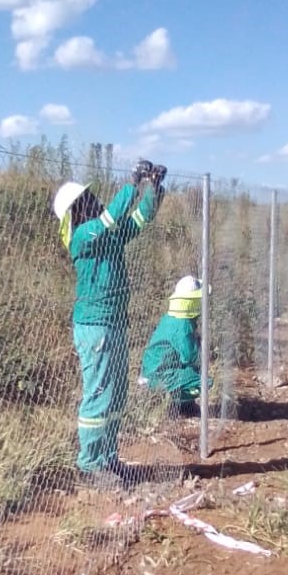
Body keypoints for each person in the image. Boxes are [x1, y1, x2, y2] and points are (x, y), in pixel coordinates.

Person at [53, 160, 166, 486]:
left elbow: (137, 222)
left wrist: (154, 189)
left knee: (116, 396)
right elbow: (111, 217)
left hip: (114, 324)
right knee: (99, 394)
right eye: (86, 199)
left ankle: (108, 459)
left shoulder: (106, 235)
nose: (95, 200)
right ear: (76, 210)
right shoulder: (83, 236)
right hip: (96, 327)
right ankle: (89, 465)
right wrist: (133, 183)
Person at [140, 275, 208, 412]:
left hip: (153, 370)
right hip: (160, 375)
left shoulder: (170, 319)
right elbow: (191, 357)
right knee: (205, 381)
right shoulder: (182, 326)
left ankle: (180, 403)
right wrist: (201, 348)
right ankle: (181, 405)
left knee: (193, 372)